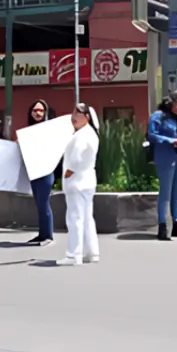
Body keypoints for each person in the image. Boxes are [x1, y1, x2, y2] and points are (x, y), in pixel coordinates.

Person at [58, 103, 100, 266]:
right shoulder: (89, 133)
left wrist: (69, 171)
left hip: (77, 182)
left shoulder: (83, 135)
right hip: (86, 181)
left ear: (87, 117)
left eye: (78, 113)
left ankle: (73, 254)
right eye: (73, 113)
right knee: (87, 218)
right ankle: (91, 252)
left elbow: (76, 158)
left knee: (75, 218)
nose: (73, 117)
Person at [148, 92, 177, 240]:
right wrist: (170, 140)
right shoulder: (158, 116)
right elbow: (152, 135)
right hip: (166, 157)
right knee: (165, 192)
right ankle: (162, 226)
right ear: (170, 104)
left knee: (176, 191)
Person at [22, 99, 56, 246]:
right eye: (35, 110)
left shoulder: (49, 130)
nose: (38, 113)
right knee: (38, 203)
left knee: (44, 203)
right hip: (34, 171)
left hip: (46, 172)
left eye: (41, 110)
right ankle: (42, 234)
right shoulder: (28, 130)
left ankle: (48, 235)